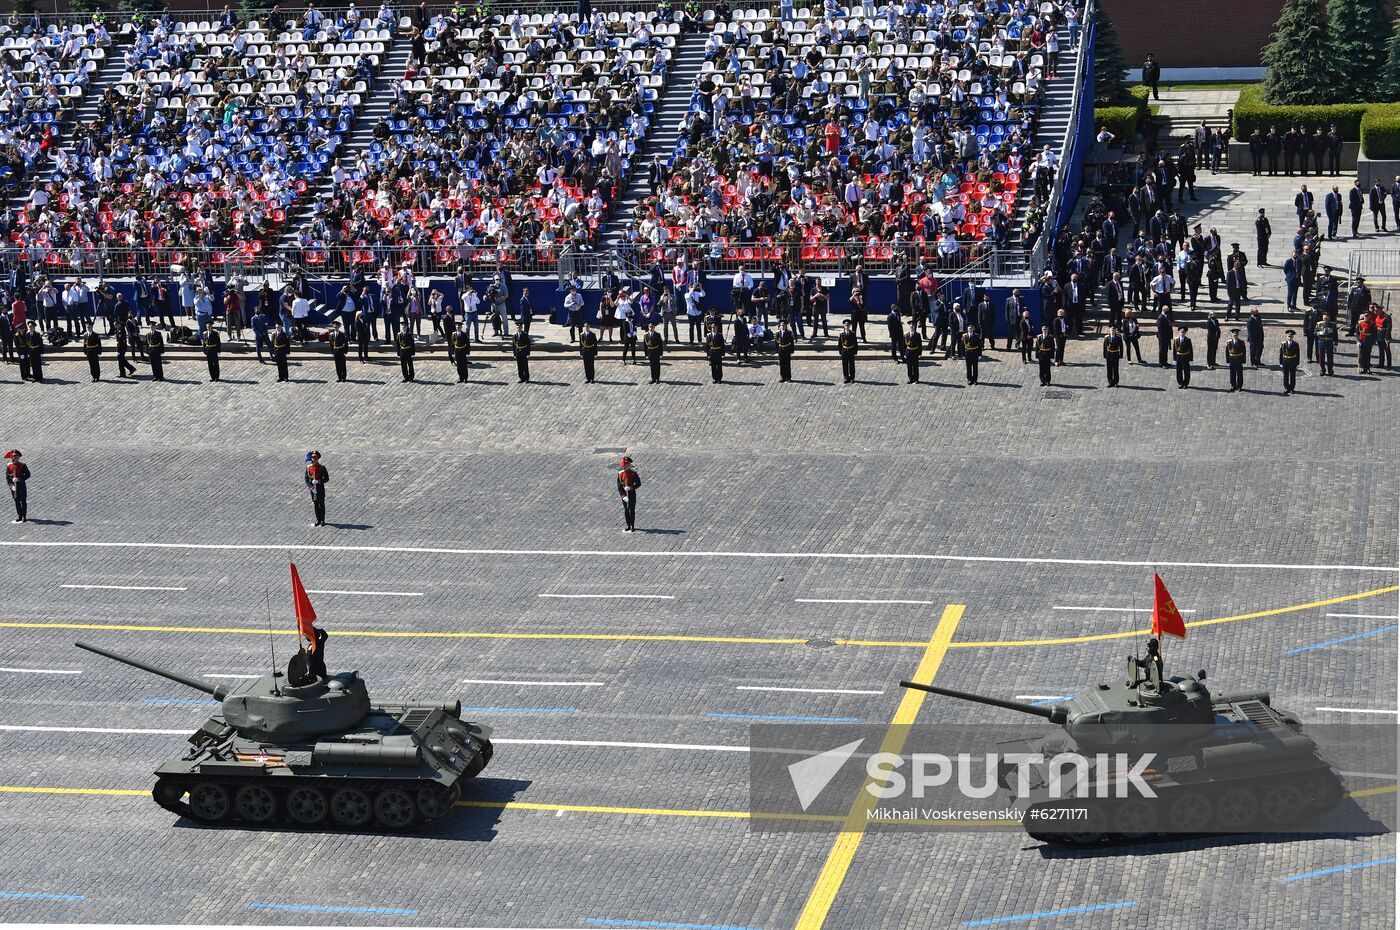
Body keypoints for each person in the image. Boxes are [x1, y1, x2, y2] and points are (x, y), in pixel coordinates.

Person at [616, 456, 641, 533]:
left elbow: (638, 483)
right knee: (626, 510)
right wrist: (623, 496)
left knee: (632, 510)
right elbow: (619, 486)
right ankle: (628, 525)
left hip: (631, 493)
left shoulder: (633, 473)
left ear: (629, 465)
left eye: (626, 465)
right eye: (623, 466)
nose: (624, 467)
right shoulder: (620, 474)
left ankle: (632, 526)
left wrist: (631, 487)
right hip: (625, 495)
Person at [305, 451, 328, 526]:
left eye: (315, 458)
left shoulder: (322, 467)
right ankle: (318, 519)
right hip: (313, 490)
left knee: (321, 504)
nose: (314, 459)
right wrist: (311, 487)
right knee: (316, 504)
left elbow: (326, 478)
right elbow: (306, 479)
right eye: (312, 457)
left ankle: (322, 520)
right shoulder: (308, 467)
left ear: (318, 458)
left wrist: (318, 481)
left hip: (320, 488)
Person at [4, 450, 29, 522]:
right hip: (14, 487)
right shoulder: (9, 466)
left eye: (15, 456)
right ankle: (19, 515)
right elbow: (8, 477)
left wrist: (19, 479)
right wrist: (11, 486)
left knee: (23, 501)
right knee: (17, 501)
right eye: (12, 456)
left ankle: (24, 515)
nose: (13, 458)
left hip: (21, 485)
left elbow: (27, 475)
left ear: (18, 457)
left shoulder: (22, 465)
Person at [1279, 329, 1301, 394]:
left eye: (1291, 336)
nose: (1290, 338)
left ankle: (1292, 388)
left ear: (1293, 337)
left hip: (1293, 360)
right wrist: (1281, 362)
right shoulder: (1283, 344)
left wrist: (1297, 362)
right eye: (1289, 336)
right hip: (1285, 360)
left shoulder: (1296, 344)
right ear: (1287, 337)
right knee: (1285, 375)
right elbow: (1281, 354)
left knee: (1292, 375)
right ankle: (1286, 387)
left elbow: (1298, 354)